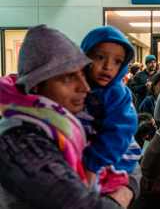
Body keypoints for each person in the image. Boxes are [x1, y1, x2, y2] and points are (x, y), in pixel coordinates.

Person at [0, 25, 132, 209]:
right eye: (68, 77)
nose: (85, 87)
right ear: (36, 84)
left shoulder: (65, 120)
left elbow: (129, 152)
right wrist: (125, 193)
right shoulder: (20, 140)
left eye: (82, 74)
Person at [80, 26, 140, 194]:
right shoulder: (76, 85)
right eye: (100, 57)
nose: (108, 66)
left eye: (117, 61)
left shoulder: (118, 93)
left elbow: (119, 132)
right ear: (84, 56)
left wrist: (92, 166)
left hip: (115, 158)